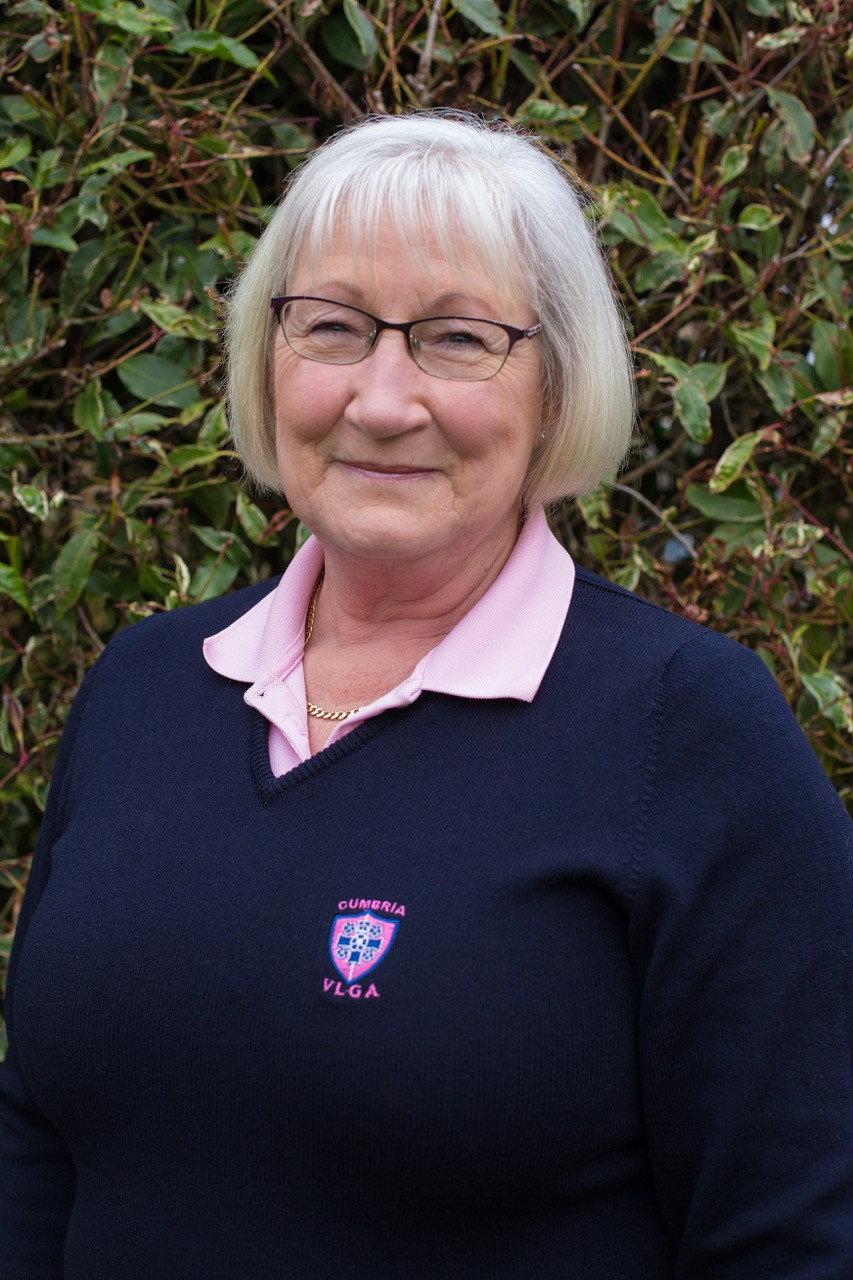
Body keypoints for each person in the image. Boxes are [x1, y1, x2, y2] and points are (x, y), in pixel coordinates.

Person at [1, 111, 851, 1280]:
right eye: (334, 328)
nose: (384, 399)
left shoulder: (688, 733)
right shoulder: (144, 687)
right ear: (267, 356)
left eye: (456, 338)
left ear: (556, 386)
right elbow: (40, 1137)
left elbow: (795, 1233)